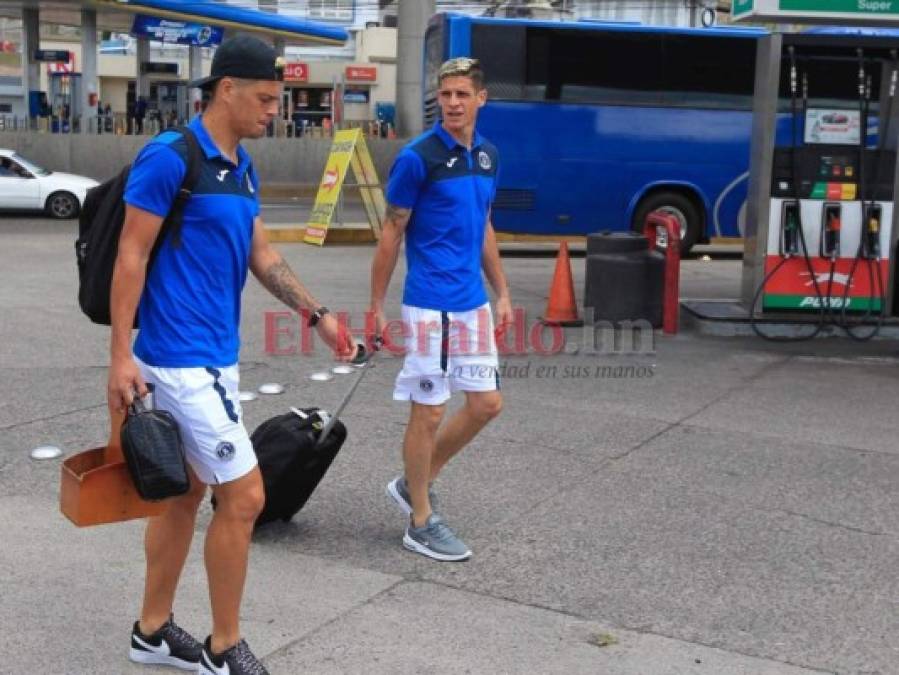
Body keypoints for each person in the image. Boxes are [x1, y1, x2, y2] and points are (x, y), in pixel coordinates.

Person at [109, 36, 355, 675]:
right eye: (267, 98)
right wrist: (119, 357)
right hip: (178, 358)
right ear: (227, 90)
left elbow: (262, 255)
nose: (276, 110)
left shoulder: (241, 165)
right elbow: (129, 256)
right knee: (244, 498)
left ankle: (152, 631)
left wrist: (319, 317)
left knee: (186, 495)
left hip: (217, 357)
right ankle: (224, 648)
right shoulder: (170, 158)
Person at [370, 57, 512, 562]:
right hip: (430, 306)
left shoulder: (489, 157)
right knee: (429, 412)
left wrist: (503, 293)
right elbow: (391, 232)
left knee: (485, 405)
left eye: (461, 94)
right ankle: (420, 520)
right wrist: (376, 308)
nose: (452, 103)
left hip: (471, 305)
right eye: (445, 95)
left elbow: (483, 227)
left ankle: (417, 481)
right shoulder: (418, 157)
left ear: (481, 98)